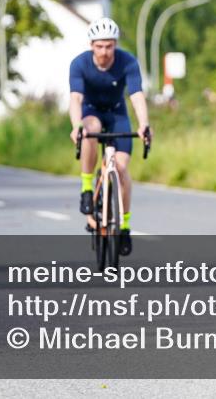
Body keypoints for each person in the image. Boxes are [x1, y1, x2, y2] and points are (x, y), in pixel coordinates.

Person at [69, 17, 150, 256]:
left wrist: (144, 124)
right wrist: (76, 126)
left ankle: (123, 226)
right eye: (99, 46)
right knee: (89, 128)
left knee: (122, 170)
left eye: (109, 46)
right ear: (91, 45)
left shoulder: (128, 62)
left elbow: (136, 96)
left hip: (117, 114)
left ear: (115, 45)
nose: (104, 51)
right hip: (91, 111)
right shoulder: (79, 64)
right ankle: (86, 188)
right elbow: (75, 99)